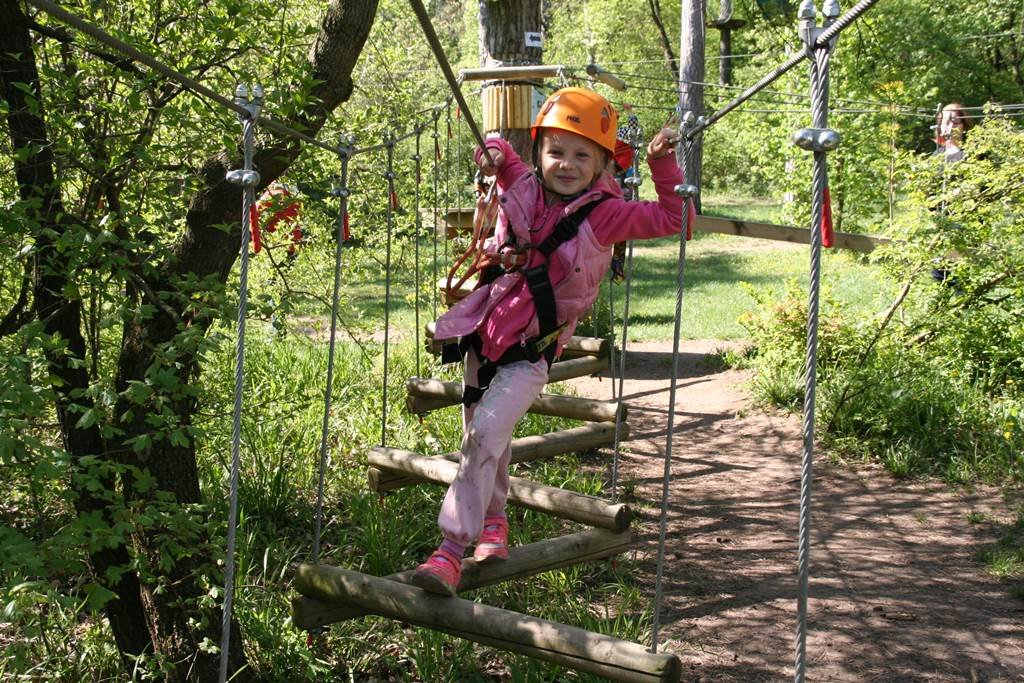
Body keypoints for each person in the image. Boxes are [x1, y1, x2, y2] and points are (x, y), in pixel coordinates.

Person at [411, 87, 693, 596]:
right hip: (484, 341)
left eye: (582, 155)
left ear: (604, 164)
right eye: (556, 151)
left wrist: (663, 165)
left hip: (531, 354)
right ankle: (493, 526)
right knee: (484, 439)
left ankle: (449, 551)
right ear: (541, 152)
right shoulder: (521, 187)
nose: (566, 164)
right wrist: (491, 151)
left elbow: (676, 219)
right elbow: (498, 151)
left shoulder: (606, 215)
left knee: (484, 436)